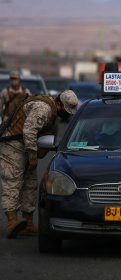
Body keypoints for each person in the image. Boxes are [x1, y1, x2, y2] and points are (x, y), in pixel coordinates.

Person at [0, 90, 79, 238]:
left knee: (30, 184)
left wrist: (39, 152)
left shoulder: (53, 112)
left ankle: (28, 223)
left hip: (26, 147)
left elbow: (48, 134)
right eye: (67, 109)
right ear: (59, 103)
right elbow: (29, 131)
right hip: (12, 146)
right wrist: (33, 155)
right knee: (12, 182)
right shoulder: (43, 108)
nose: (67, 114)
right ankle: (12, 222)